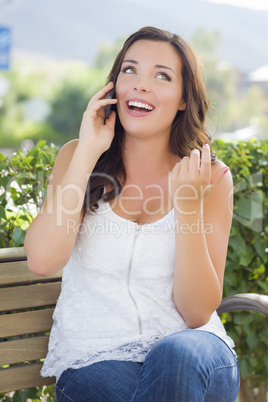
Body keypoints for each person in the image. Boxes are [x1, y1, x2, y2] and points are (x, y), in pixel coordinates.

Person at [24, 26, 240, 401]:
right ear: (113, 88)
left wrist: (187, 208)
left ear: (184, 100)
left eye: (162, 75)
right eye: (129, 70)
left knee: (175, 356)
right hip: (94, 357)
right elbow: (43, 260)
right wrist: (89, 151)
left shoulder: (210, 178)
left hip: (195, 353)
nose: (141, 84)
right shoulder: (77, 157)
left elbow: (196, 313)